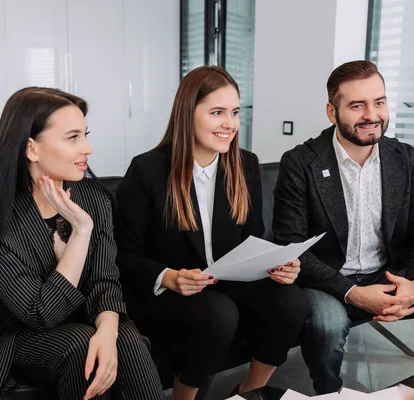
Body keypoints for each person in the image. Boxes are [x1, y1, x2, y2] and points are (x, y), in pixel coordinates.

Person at [273, 60, 414, 394]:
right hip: (329, 279)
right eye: (357, 105)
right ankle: (329, 392)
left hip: (388, 274)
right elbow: (293, 247)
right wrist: (354, 293)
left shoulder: (404, 158)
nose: (372, 115)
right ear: (332, 112)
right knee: (328, 323)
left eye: (379, 102)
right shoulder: (301, 162)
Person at [0, 87, 164, 400]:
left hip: (84, 317)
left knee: (125, 337)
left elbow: (105, 281)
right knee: (81, 345)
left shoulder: (94, 198)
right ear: (31, 149)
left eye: (86, 135)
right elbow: (42, 314)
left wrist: (108, 330)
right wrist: (81, 232)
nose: (88, 148)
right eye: (73, 137)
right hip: (19, 334)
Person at [114, 66, 308, 400]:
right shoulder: (147, 170)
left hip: (226, 285)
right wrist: (171, 277)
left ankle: (252, 391)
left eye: (234, 113)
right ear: (187, 115)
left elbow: (252, 239)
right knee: (218, 312)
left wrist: (275, 265)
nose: (229, 124)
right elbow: (123, 254)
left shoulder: (245, 165)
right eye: (217, 112)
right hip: (170, 294)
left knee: (290, 300)